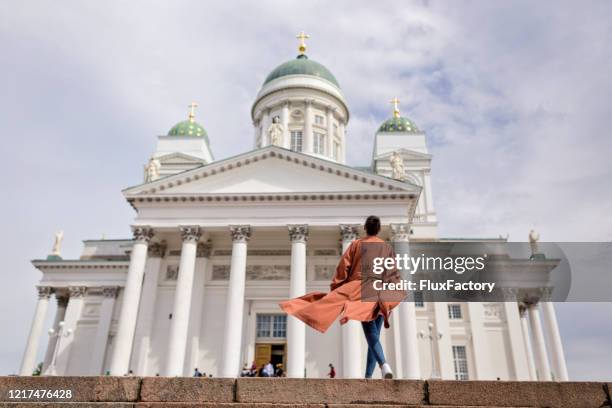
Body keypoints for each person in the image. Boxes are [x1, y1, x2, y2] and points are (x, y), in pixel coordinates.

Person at [280, 215, 402, 379]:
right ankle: (369, 376)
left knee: (370, 334)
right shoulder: (386, 248)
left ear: (365, 228)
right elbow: (393, 275)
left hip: (361, 291)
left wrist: (338, 292)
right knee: (374, 336)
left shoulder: (356, 244)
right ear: (379, 230)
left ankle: (384, 365)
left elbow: (343, 269)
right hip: (380, 293)